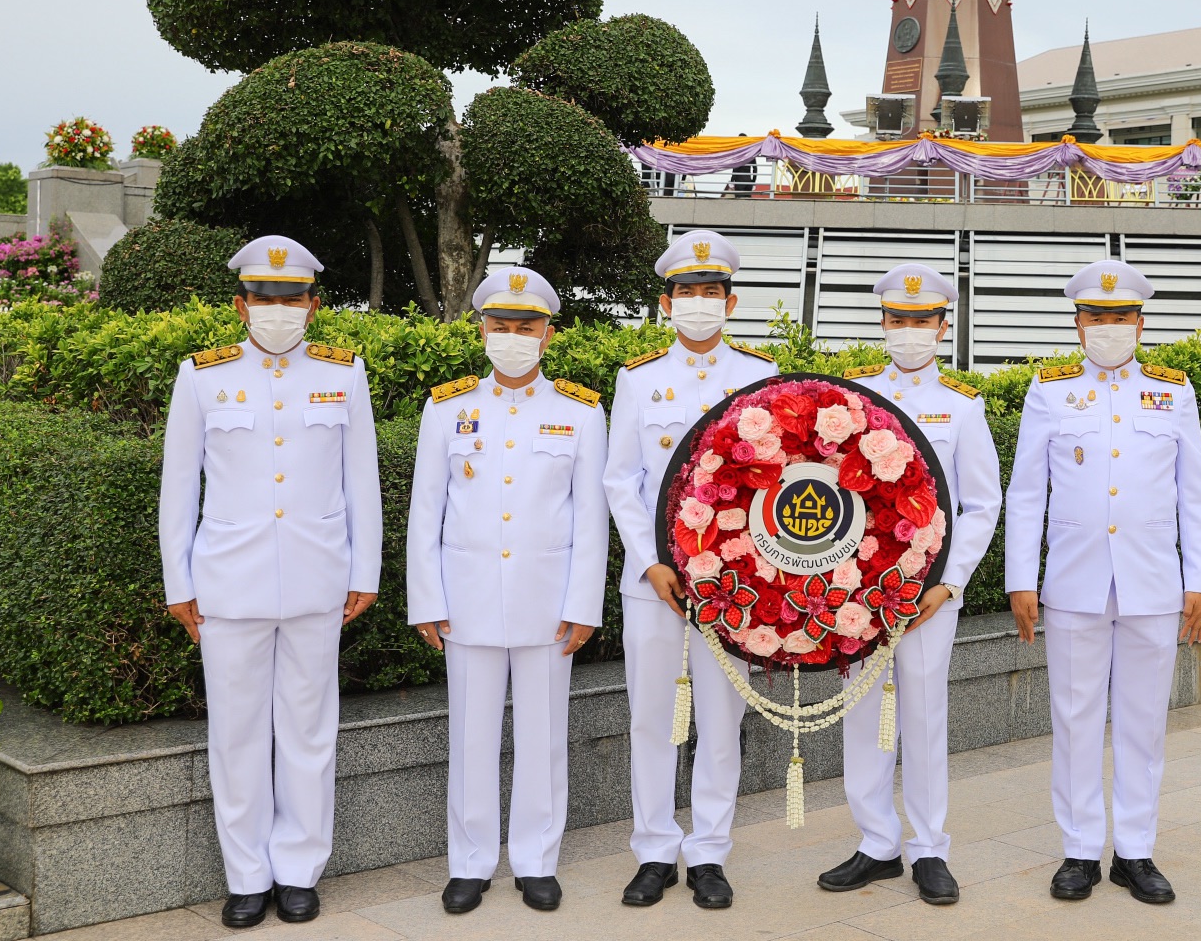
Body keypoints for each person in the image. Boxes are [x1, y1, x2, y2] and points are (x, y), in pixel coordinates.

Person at [158, 236, 381, 930]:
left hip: (318, 580)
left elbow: (361, 482)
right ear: (240, 304)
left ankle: (299, 870)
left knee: (311, 731)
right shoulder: (201, 375)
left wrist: (364, 570)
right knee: (236, 734)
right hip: (228, 583)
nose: (277, 310)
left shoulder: (344, 374)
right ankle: (247, 875)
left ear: (313, 306)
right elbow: (177, 489)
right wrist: (179, 579)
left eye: (291, 299)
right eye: (264, 299)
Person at [1003, 260, 1201, 906]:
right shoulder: (1049, 390)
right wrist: (1021, 579)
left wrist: (1200, 580)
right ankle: (1077, 849)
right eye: (1097, 317)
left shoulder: (1172, 391)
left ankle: (1135, 851)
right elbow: (1026, 492)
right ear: (1077, 324)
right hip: (1073, 581)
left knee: (1144, 722)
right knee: (1074, 718)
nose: (1109, 327)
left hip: (1153, 581)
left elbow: (1195, 495)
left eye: (1121, 316)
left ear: (1141, 323)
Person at [406, 267, 610, 915]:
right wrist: (428, 601)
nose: (514, 337)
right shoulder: (447, 408)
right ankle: (469, 863)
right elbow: (426, 513)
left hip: (547, 603)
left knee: (545, 737)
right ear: (483, 329)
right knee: (469, 737)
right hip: (466, 599)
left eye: (527, 328)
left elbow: (590, 521)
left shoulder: (579, 410)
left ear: (548, 335)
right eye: (502, 326)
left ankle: (535, 861)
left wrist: (583, 606)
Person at [604, 230, 779, 910]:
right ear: (665, 301)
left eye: (711, 292)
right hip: (655, 586)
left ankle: (709, 850)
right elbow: (621, 480)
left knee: (719, 717)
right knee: (650, 719)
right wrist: (650, 565)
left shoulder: (760, 379)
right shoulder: (638, 379)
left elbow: (772, 483)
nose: (698, 303)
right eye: (686, 292)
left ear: (730, 302)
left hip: (732, 584)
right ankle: (653, 848)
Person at [817, 264, 1001, 906]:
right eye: (898, 320)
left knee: (922, 716)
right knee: (863, 715)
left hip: (928, 595)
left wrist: (948, 584)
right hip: (856, 589)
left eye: (921, 321)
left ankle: (928, 848)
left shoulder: (962, 405)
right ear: (883, 325)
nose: (909, 331)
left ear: (943, 326)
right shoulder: (853, 400)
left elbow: (981, 504)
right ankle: (875, 843)